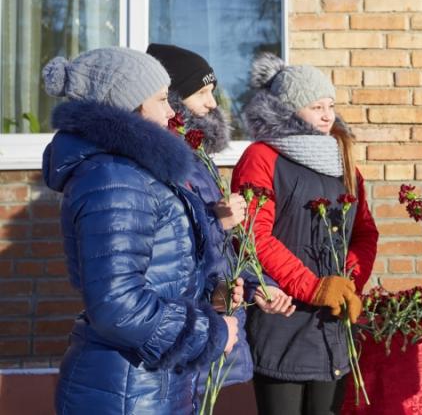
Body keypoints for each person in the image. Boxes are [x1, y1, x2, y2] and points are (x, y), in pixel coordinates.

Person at [41, 47, 242, 414]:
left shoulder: (138, 172)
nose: (171, 111)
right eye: (162, 99)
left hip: (152, 383)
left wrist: (210, 294)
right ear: (127, 106)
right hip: (125, 391)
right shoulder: (114, 178)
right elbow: (118, 306)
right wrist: (209, 334)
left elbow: (157, 273)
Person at [232, 52, 379, 415]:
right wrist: (313, 287)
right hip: (282, 317)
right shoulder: (262, 157)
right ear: (289, 109)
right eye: (316, 106)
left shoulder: (343, 160)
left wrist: (349, 284)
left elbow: (364, 233)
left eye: (330, 105)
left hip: (333, 322)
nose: (328, 115)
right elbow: (253, 236)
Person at [146, 43, 296, 399]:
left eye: (211, 92)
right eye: (202, 93)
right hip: (177, 337)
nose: (213, 104)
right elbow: (165, 250)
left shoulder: (199, 162)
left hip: (209, 329)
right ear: (172, 99)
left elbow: (224, 248)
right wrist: (217, 224)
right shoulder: (158, 163)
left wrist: (259, 284)